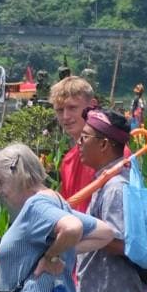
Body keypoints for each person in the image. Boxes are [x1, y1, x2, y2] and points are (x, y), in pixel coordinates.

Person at [0, 143, 93, 292]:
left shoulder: (37, 206)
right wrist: (60, 249)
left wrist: (51, 256)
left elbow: (72, 228)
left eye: (1, 181)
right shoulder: (57, 202)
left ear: (17, 175)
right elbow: (104, 233)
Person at [70, 109, 147, 292]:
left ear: (104, 144)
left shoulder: (115, 187)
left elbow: (121, 243)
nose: (79, 143)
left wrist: (76, 236)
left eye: (84, 137)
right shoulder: (109, 181)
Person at [50, 76, 100, 206]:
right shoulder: (68, 160)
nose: (65, 117)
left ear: (92, 106)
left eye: (72, 108)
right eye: (60, 110)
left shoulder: (111, 153)